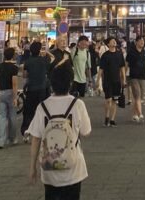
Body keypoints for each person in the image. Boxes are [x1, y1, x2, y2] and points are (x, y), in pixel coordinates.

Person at [28, 61, 92, 200]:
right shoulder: (77, 104)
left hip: (50, 170)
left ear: (51, 84)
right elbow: (86, 132)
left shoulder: (42, 107)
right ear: (70, 83)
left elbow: (35, 139)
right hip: (73, 168)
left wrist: (32, 167)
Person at [22, 40, 51, 138]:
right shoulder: (44, 60)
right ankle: (42, 131)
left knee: (28, 112)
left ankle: (26, 132)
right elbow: (53, 58)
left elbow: (24, 75)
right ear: (39, 50)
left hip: (31, 89)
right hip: (42, 89)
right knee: (42, 111)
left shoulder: (28, 61)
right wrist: (46, 51)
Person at [0, 45, 20, 149]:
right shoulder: (14, 68)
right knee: (12, 116)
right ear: (13, 56)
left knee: (2, 117)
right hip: (10, 92)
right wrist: (15, 97)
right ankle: (12, 138)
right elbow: (14, 83)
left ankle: (0, 141)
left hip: (1, 92)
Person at [97, 36, 125, 127]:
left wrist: (123, 79)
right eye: (112, 41)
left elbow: (122, 68)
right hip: (107, 80)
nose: (114, 42)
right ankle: (106, 117)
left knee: (114, 100)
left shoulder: (119, 54)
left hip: (117, 80)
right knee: (108, 99)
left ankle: (112, 119)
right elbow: (101, 69)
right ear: (108, 44)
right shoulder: (105, 55)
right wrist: (98, 80)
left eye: (115, 41)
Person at [126, 36, 145, 123]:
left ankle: (134, 114)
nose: (142, 42)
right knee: (137, 95)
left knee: (140, 97)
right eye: (141, 41)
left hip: (142, 76)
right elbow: (126, 64)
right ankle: (140, 114)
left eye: (143, 41)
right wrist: (123, 76)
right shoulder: (131, 52)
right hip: (133, 76)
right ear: (136, 42)